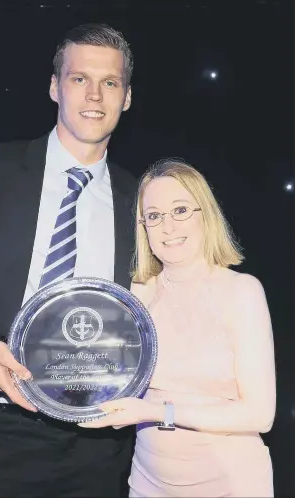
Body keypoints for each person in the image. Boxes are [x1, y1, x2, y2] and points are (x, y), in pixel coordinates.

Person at [0, 23, 137, 497]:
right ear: (55, 87)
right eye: (79, 79)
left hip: (100, 443)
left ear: (127, 96)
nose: (95, 94)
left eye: (110, 82)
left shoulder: (140, 200)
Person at [80, 159, 276, 497]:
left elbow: (260, 415)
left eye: (181, 210)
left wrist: (155, 412)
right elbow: (107, 375)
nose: (168, 227)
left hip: (231, 485)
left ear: (206, 215)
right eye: (154, 216)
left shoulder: (242, 291)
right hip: (147, 484)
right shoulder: (136, 294)